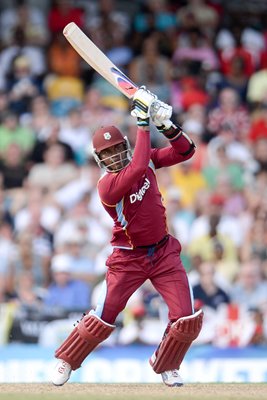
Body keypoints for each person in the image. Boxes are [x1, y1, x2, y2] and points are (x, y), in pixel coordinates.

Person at [51, 86, 203, 387]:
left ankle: (166, 365)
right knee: (104, 315)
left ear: (125, 147)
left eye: (117, 149)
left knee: (186, 318)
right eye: (106, 153)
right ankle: (66, 360)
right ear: (98, 159)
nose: (113, 156)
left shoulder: (143, 159)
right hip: (128, 257)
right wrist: (142, 121)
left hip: (163, 253)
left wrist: (166, 125)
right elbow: (136, 169)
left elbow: (187, 151)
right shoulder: (106, 186)